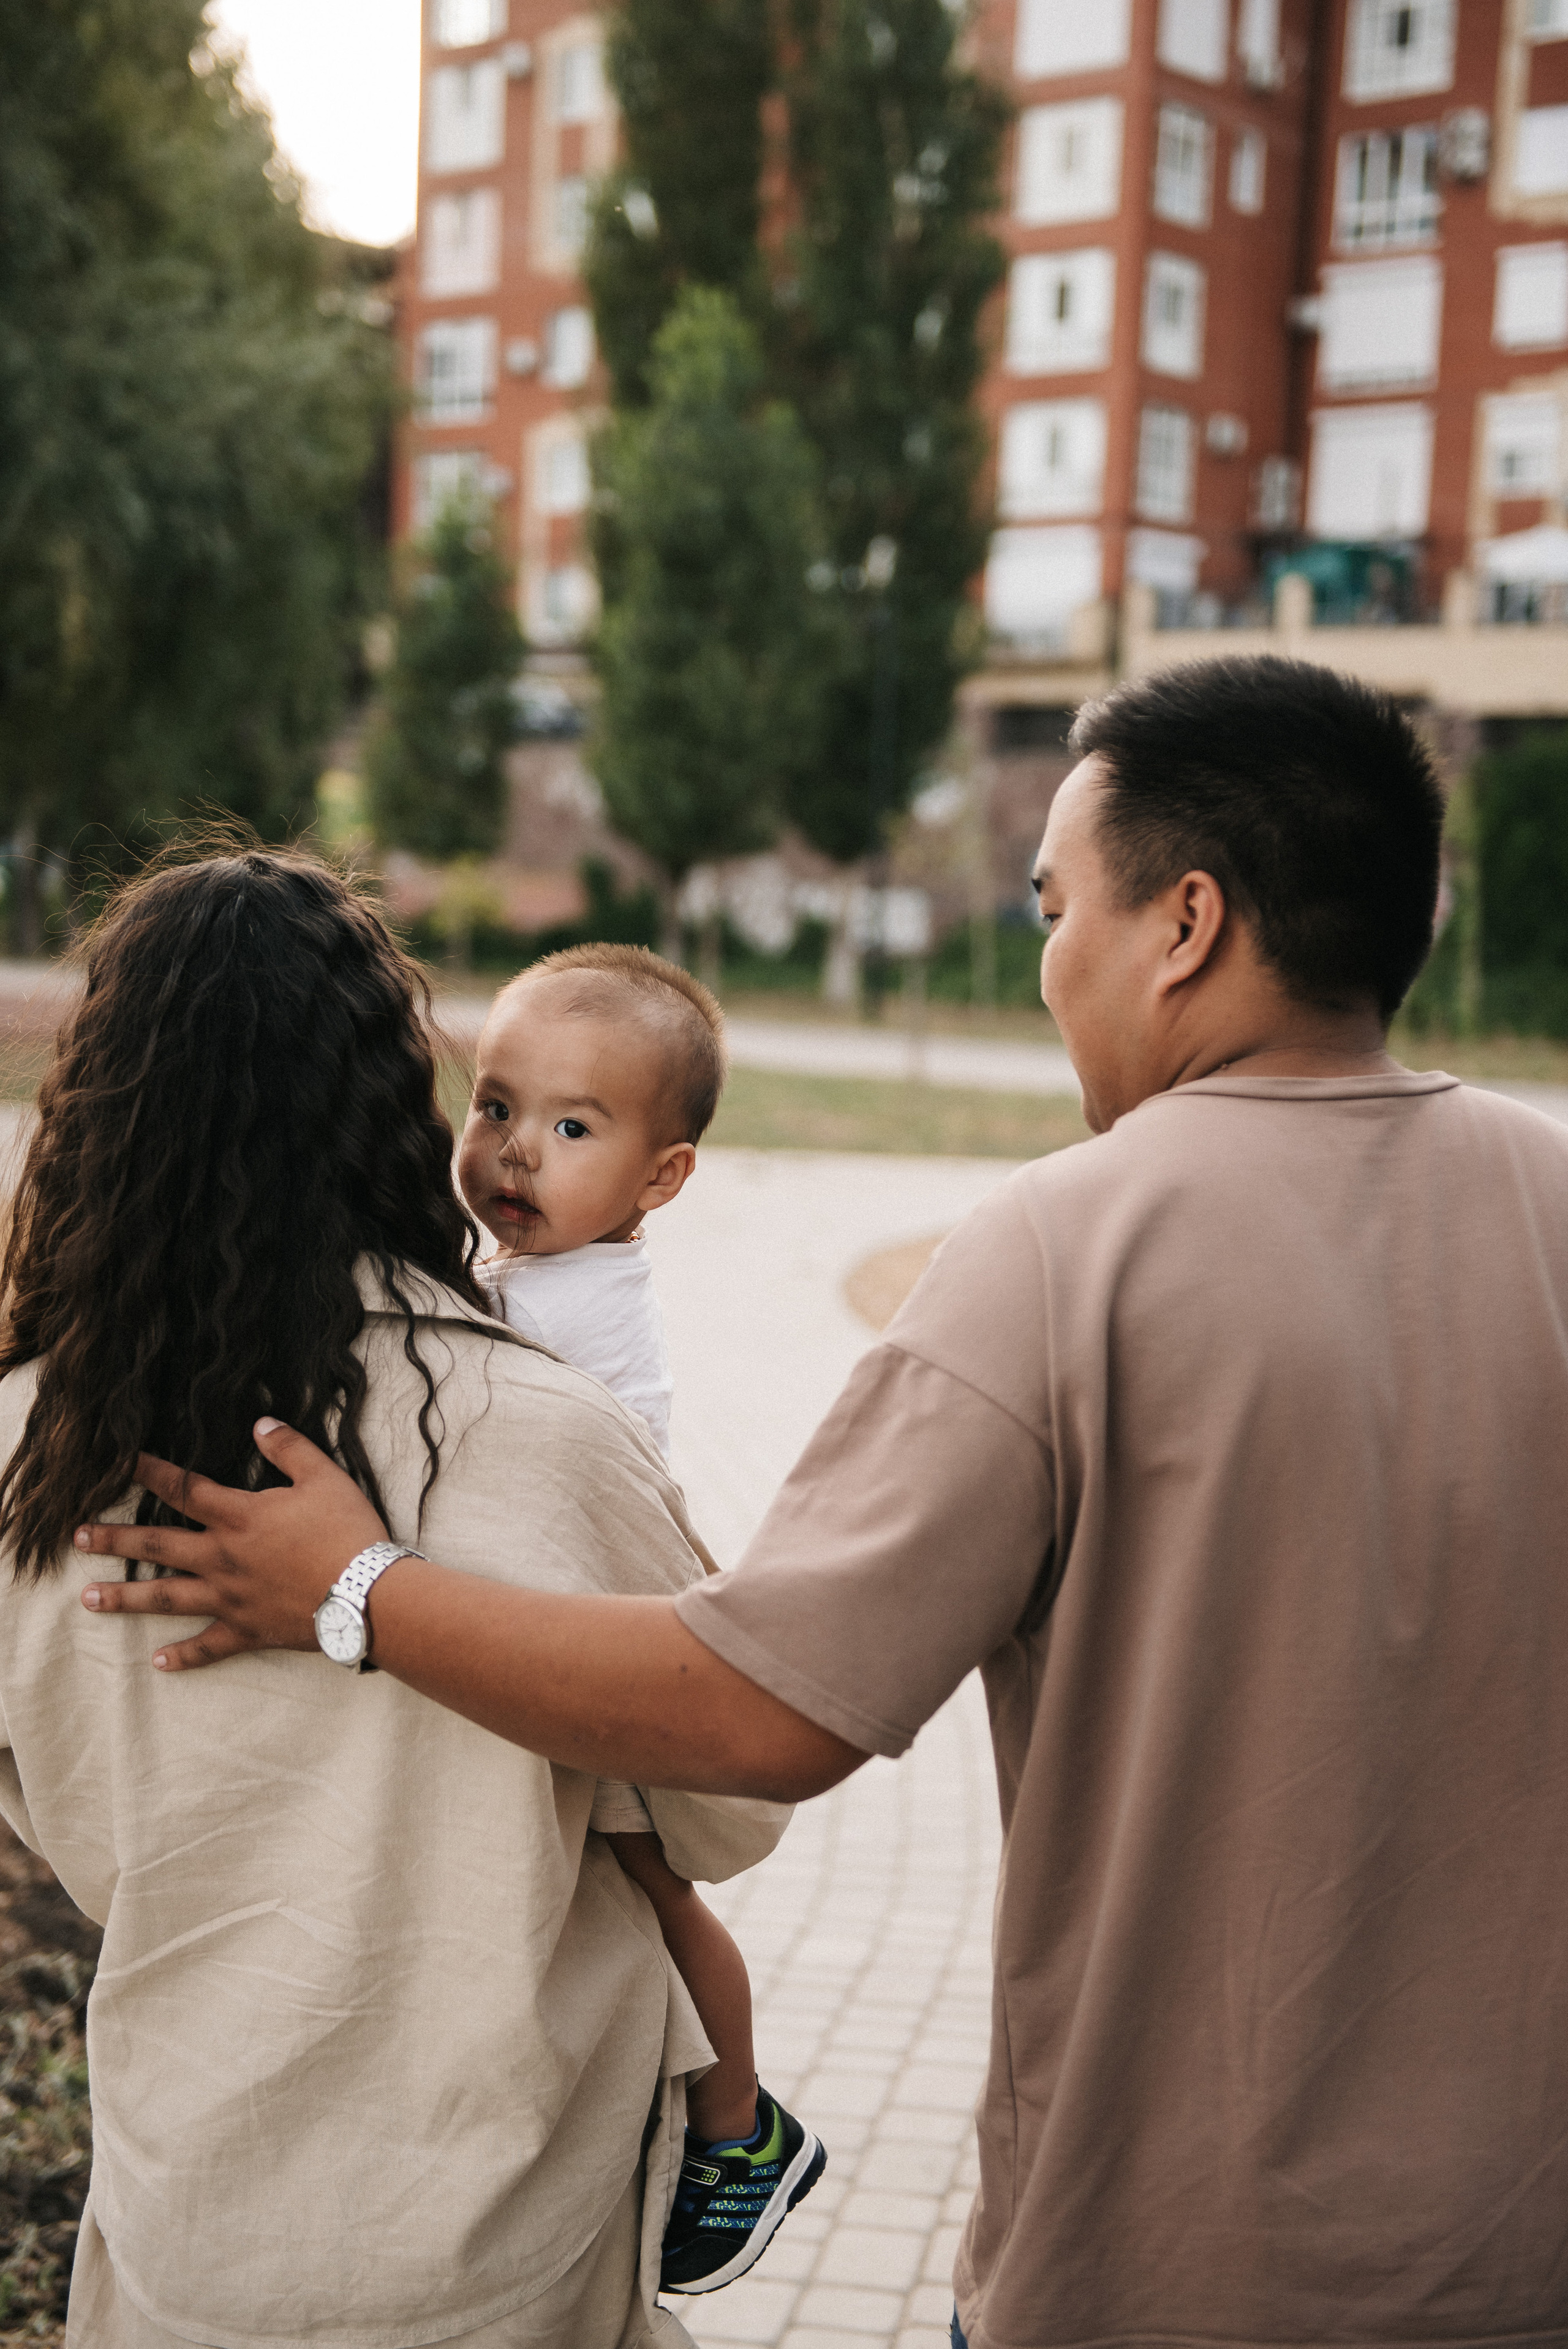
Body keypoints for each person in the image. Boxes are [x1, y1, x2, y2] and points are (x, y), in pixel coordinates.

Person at [85, 658, 1568, 2349]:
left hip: (1172, 2264)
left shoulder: (1066, 1246)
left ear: (1185, 925)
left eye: (1053, 910)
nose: (1045, 968)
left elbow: (762, 1712)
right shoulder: (1550, 1205)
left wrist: (356, 1590)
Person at [0, 845, 791, 2349]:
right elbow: (722, 1815)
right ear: (394, 1103)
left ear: (95, 1111)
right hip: (505, 2239)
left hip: (189, 2232)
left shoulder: (25, 1455)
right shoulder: (545, 1431)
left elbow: (51, 1808)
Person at [456, 941, 825, 2291]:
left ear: (660, 1179)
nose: (514, 1151)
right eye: (494, 1105)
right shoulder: (527, 1264)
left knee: (654, 1890)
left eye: (571, 1129)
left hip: (602, 1639)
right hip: (549, 1626)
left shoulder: (585, 1305)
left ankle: (742, 2126)